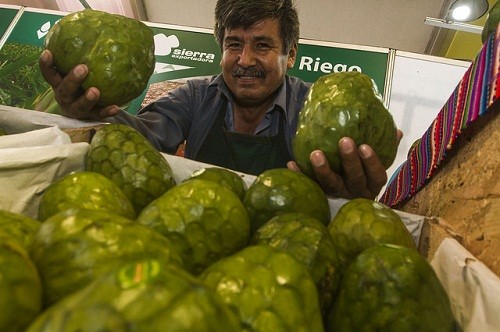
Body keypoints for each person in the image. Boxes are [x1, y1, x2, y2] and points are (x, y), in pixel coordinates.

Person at [38, 0, 400, 199]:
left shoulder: (316, 107)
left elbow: (339, 182)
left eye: (262, 45)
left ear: (290, 55)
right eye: (233, 45)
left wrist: (349, 194)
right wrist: (89, 113)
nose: (244, 61)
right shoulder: (195, 95)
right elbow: (142, 137)